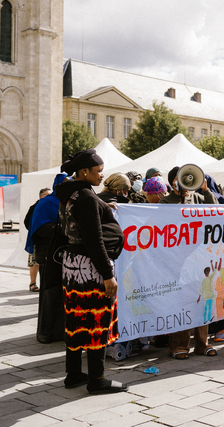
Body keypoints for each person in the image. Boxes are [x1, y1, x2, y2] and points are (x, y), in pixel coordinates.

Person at [56, 149, 127, 394]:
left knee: (76, 319)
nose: (101, 174)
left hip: (72, 267)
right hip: (91, 268)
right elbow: (94, 240)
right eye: (98, 171)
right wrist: (107, 275)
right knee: (97, 319)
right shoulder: (86, 198)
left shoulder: (70, 193)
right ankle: (97, 379)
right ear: (84, 171)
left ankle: (73, 373)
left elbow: (80, 218)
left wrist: (101, 206)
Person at [160, 165, 218, 359]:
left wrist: (205, 190)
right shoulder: (165, 201)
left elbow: (215, 210)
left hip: (198, 259)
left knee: (202, 302)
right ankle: (179, 346)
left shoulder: (199, 198)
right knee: (181, 302)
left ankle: (202, 343)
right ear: (173, 182)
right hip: (176, 260)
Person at [27, 174, 68, 343]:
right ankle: (46, 332)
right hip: (48, 254)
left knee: (63, 294)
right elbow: (36, 227)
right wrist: (61, 228)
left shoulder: (69, 202)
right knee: (50, 293)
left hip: (65, 255)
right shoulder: (45, 203)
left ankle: (61, 331)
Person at [23, 187, 51, 292]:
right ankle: (33, 283)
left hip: (48, 240)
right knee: (34, 261)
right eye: (47, 195)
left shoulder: (51, 206)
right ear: (41, 196)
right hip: (36, 239)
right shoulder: (34, 207)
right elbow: (27, 222)